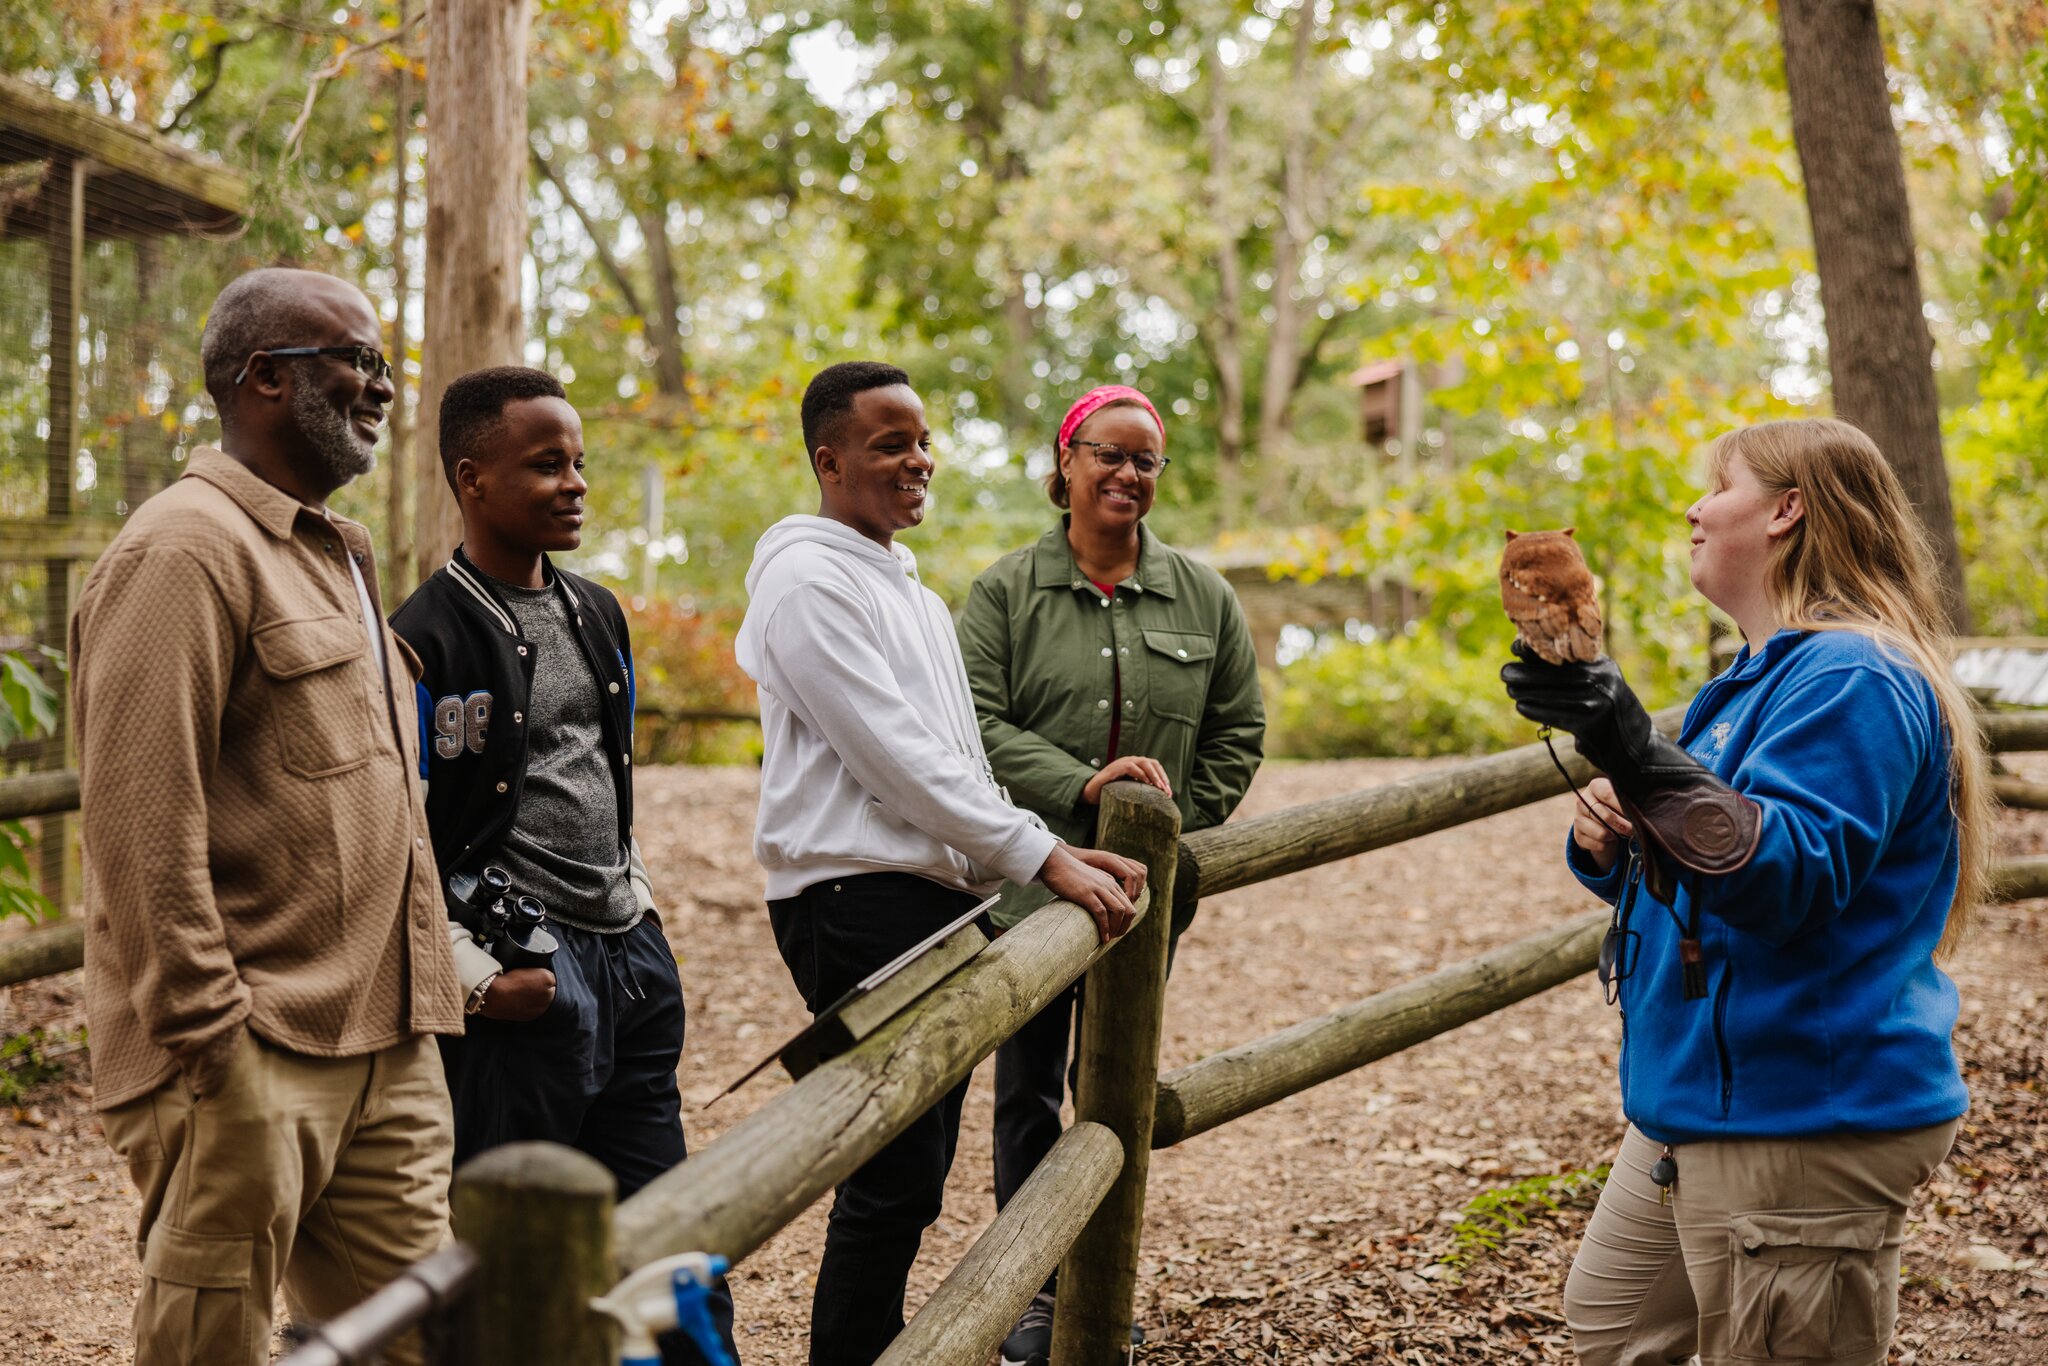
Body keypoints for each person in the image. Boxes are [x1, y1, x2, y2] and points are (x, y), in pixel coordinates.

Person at [1500, 416, 1989, 1366]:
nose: (1693, 505)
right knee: (1611, 1330)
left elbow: (1788, 882)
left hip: (1802, 1111)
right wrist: (1615, 825)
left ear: (1786, 511)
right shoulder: (1757, 677)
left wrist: (1638, 750)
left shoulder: (1854, 672)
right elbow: (1713, 849)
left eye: (1716, 485)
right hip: (1704, 1099)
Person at [71, 267, 463, 1366]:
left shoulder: (336, 550)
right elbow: (141, 823)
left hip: (385, 1037)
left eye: (382, 363)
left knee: (417, 1339)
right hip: (249, 1049)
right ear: (263, 378)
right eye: (356, 360)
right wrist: (215, 1042)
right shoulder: (181, 549)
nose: (381, 387)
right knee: (213, 1348)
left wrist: (427, 994)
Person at [734, 360, 1148, 1366]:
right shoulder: (805, 581)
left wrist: (1019, 846)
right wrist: (1038, 852)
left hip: (926, 896)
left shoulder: (906, 588)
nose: (917, 460)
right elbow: (894, 758)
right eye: (889, 444)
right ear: (827, 460)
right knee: (888, 1168)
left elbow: (952, 758)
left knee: (910, 1169)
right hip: (853, 896)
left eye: (921, 440)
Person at [389, 366, 737, 1364]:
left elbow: (600, 778)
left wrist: (644, 918)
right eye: (545, 464)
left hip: (629, 953)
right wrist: (477, 976)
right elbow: (396, 834)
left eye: (579, 461)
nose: (574, 482)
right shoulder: (423, 637)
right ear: (472, 477)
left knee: (665, 1236)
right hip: (525, 977)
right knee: (514, 1249)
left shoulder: (596, 610)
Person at [956, 383, 1265, 1366]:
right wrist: (1085, 787)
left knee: (1111, 1092)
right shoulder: (1006, 591)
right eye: (1108, 455)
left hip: (1142, 902)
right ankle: (1030, 1290)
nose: (1126, 474)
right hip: (1027, 888)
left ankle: (1097, 1290)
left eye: (1144, 461)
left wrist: (1169, 829)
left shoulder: (1201, 597)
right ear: (1066, 463)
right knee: (1025, 1094)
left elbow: (1237, 733)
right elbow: (976, 724)